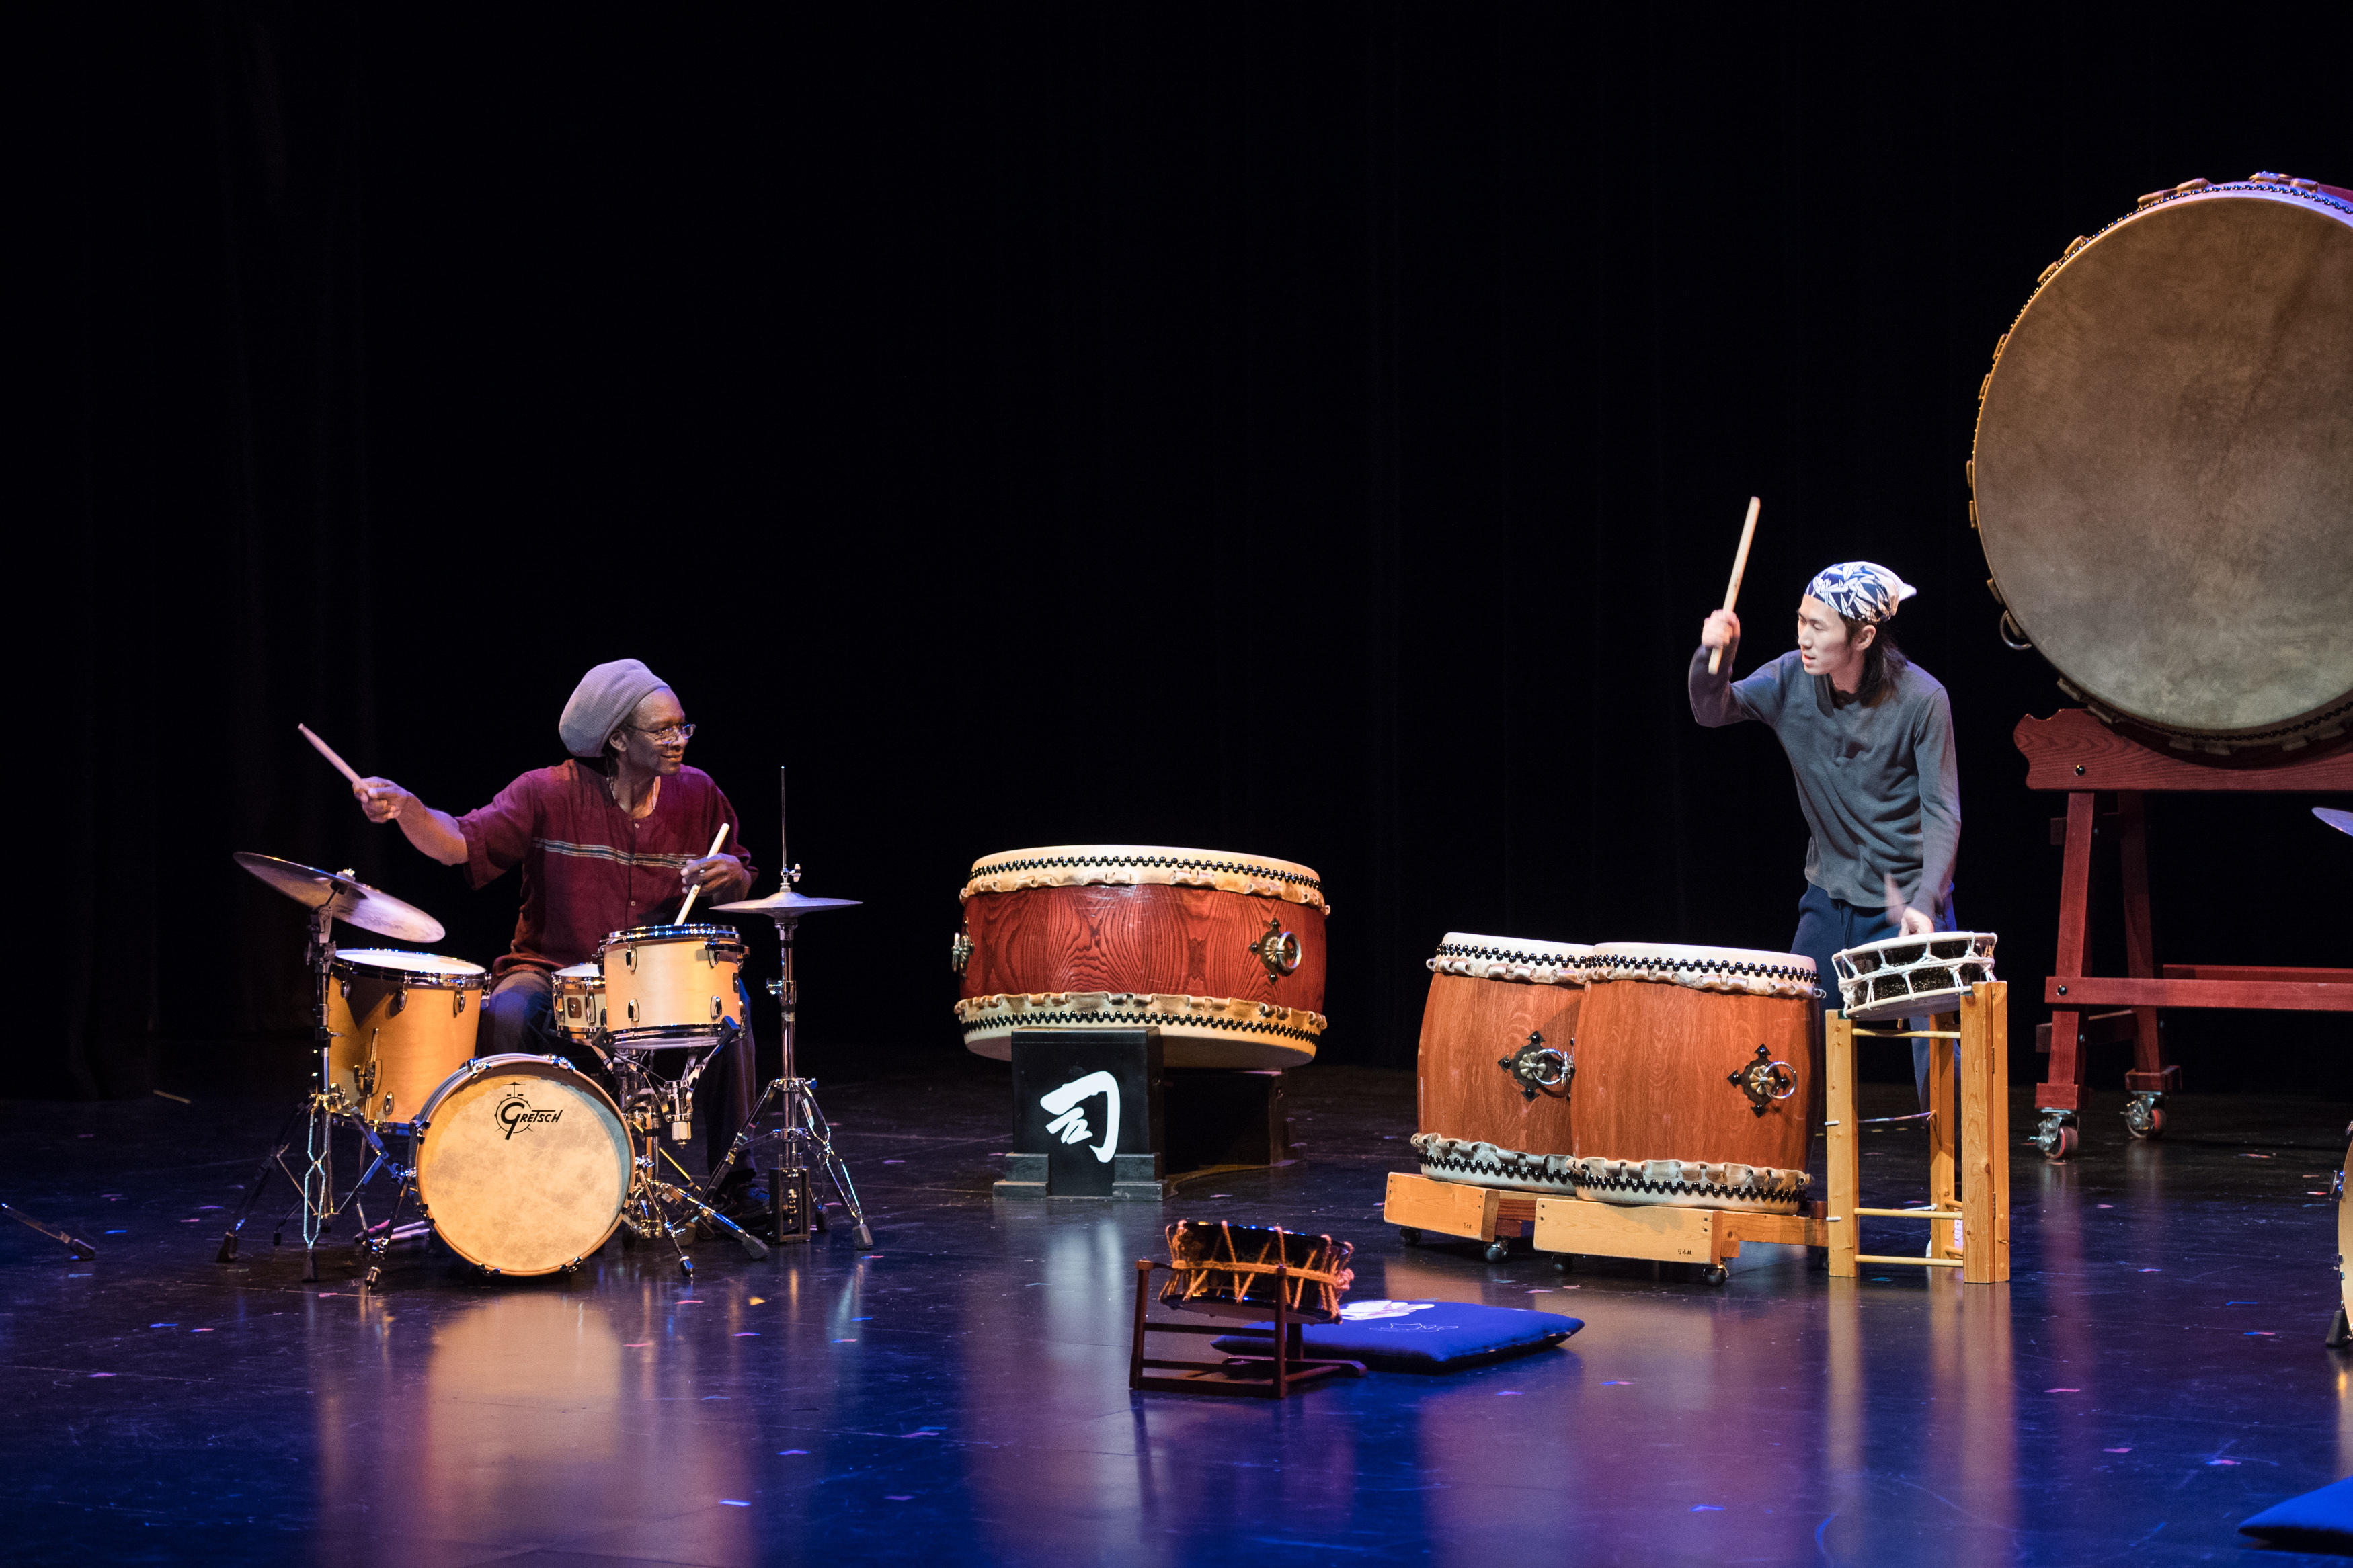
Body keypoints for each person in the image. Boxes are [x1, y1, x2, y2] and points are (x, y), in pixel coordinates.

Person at [349, 657, 761, 1198]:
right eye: (661, 729)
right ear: (616, 739)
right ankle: (511, 1181)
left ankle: (735, 1177)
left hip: (653, 976)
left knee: (732, 1002)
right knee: (510, 1008)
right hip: (551, 969)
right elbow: (458, 841)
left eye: (682, 726)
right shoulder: (547, 792)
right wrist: (407, 809)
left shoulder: (699, 793)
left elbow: (738, 879)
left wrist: (733, 875)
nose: (677, 739)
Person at [1689, 562, 1961, 1112]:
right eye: (1801, 621)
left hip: (1906, 902)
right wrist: (1711, 658)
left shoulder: (1923, 699)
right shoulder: (1790, 677)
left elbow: (1942, 809)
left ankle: (1954, 1184)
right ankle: (1786, 1180)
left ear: (1863, 637)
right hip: (1828, 897)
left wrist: (1927, 901)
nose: (1803, 637)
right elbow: (1711, 710)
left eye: (1819, 627)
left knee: (1939, 1045)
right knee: (1788, 1045)